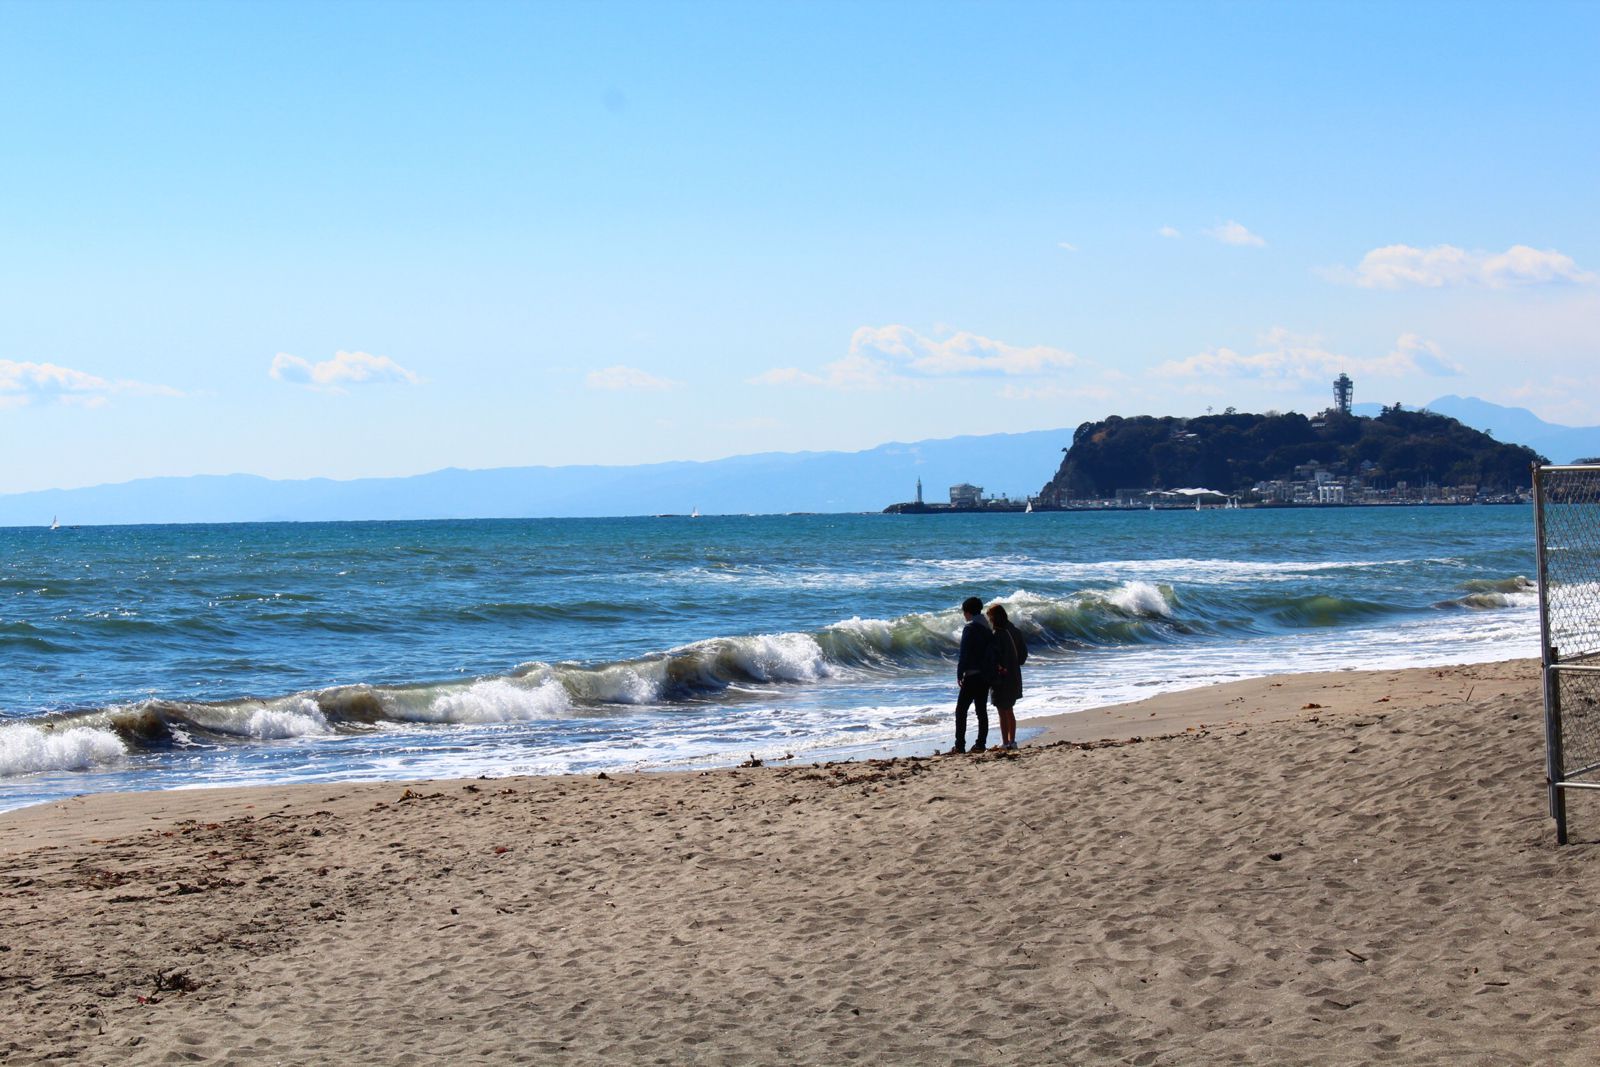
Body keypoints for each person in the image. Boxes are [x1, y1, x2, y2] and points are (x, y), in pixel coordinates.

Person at [952, 596, 992, 753]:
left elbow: (964, 653)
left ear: (968, 612)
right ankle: (981, 744)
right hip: (985, 674)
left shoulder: (970, 628)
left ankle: (959, 745)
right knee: (981, 710)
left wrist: (959, 673)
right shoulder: (987, 627)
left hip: (972, 674)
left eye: (964, 612)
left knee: (961, 710)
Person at [986, 603, 1027, 751]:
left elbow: (993, 658)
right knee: (1009, 709)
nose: (989, 620)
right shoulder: (1015, 631)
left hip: (1001, 677)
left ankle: (1005, 742)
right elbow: (1023, 656)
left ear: (994, 618)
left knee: (1002, 711)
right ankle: (1013, 741)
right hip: (1015, 675)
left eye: (990, 617)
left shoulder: (997, 634)